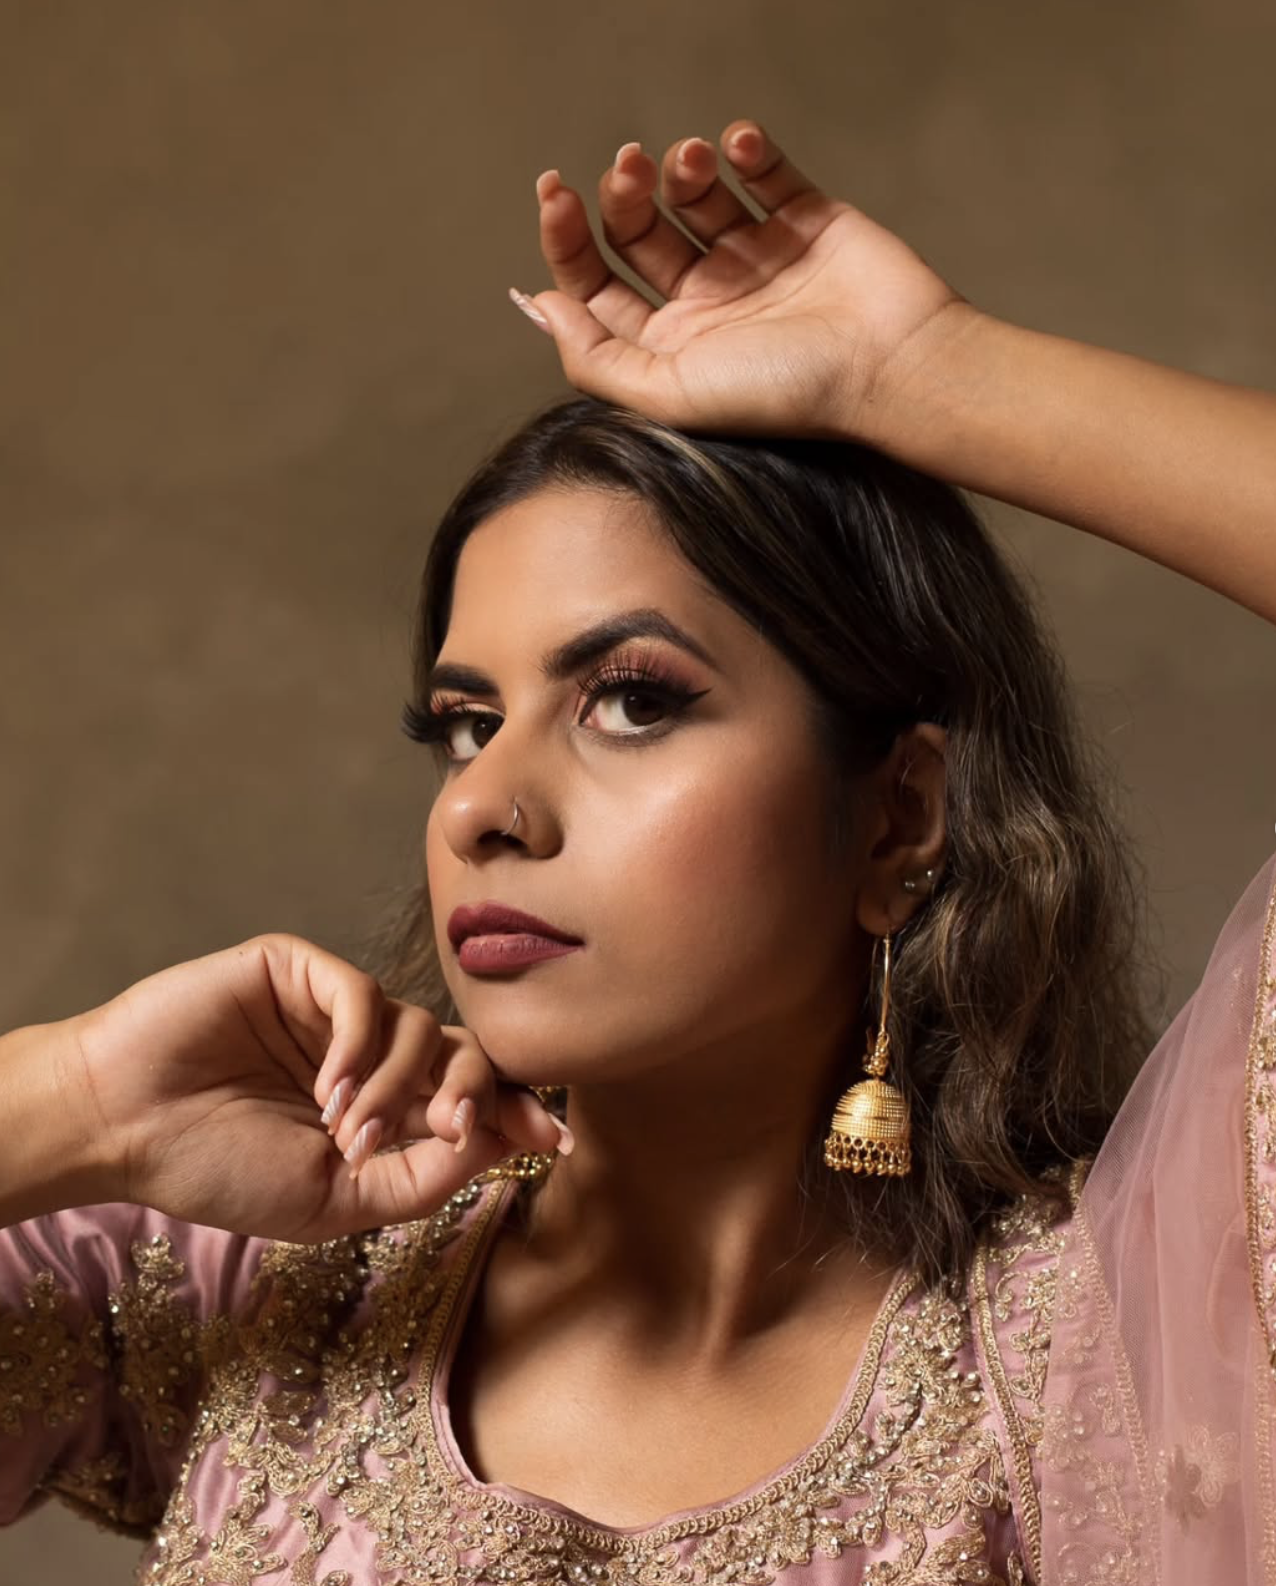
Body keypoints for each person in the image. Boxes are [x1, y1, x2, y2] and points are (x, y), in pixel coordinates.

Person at [1, 119, 1273, 1586]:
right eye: (467, 724)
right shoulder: (275, 1285)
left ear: (899, 815)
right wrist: (79, 1105)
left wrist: (924, 370)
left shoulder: (1117, 1351)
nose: (483, 807)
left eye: (632, 701)